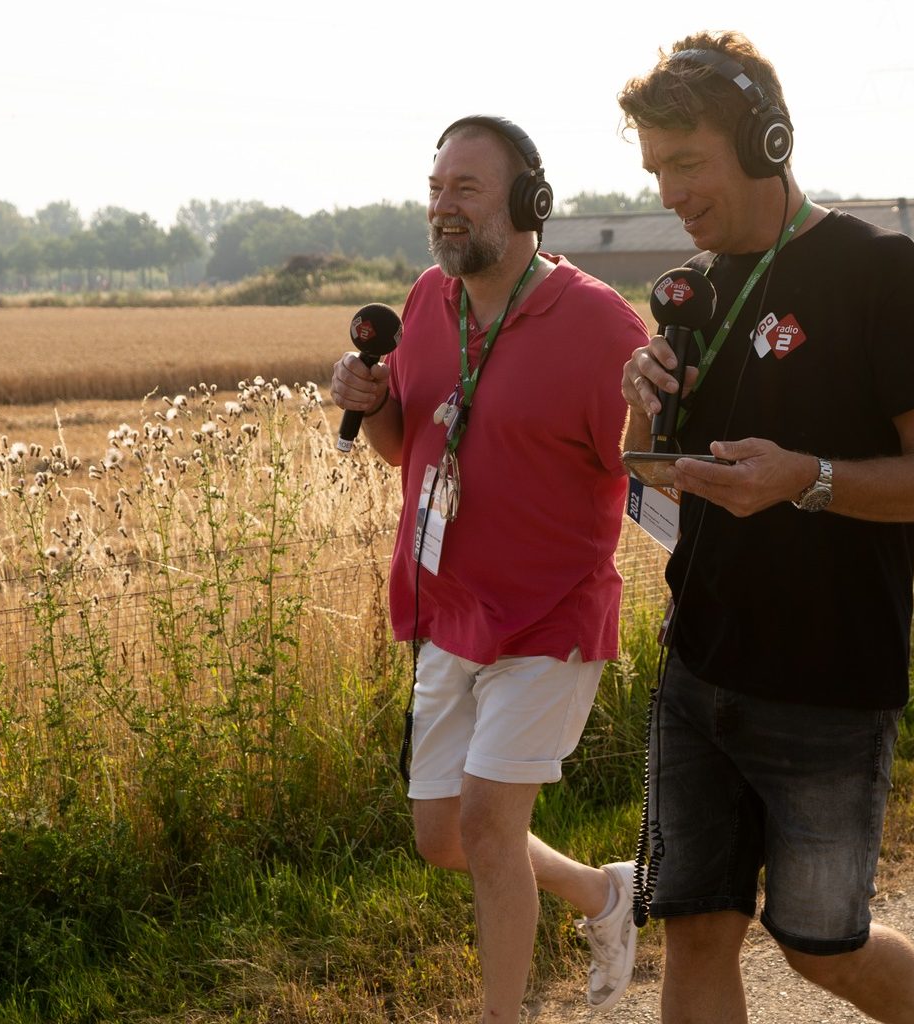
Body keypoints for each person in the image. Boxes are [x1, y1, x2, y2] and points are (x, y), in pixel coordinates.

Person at [617, 32, 914, 1024]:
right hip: (696, 668)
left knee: (819, 944)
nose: (669, 194)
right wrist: (641, 404)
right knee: (695, 928)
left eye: (686, 163)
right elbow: (649, 480)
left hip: (829, 685)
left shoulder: (881, 272)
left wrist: (806, 480)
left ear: (765, 139)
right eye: (655, 171)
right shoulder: (692, 290)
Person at [328, 115, 648, 1018]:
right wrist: (373, 402)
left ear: (529, 202)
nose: (444, 207)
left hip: (550, 616)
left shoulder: (598, 324)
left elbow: (644, 470)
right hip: (449, 608)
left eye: (467, 188)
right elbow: (406, 448)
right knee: (441, 835)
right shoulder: (428, 301)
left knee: (488, 825)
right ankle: (604, 894)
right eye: (436, 189)